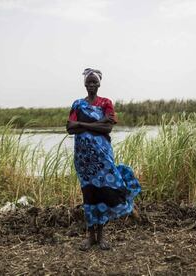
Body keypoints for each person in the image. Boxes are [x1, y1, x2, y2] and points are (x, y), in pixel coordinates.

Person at [66, 68, 141, 251]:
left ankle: (102, 237)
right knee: (89, 194)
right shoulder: (77, 104)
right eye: (89, 82)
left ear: (99, 84)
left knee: (105, 192)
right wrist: (96, 125)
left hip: (102, 156)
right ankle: (91, 237)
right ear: (85, 84)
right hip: (84, 159)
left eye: (95, 82)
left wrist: (82, 124)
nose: (91, 85)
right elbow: (70, 128)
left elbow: (107, 128)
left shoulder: (106, 103)